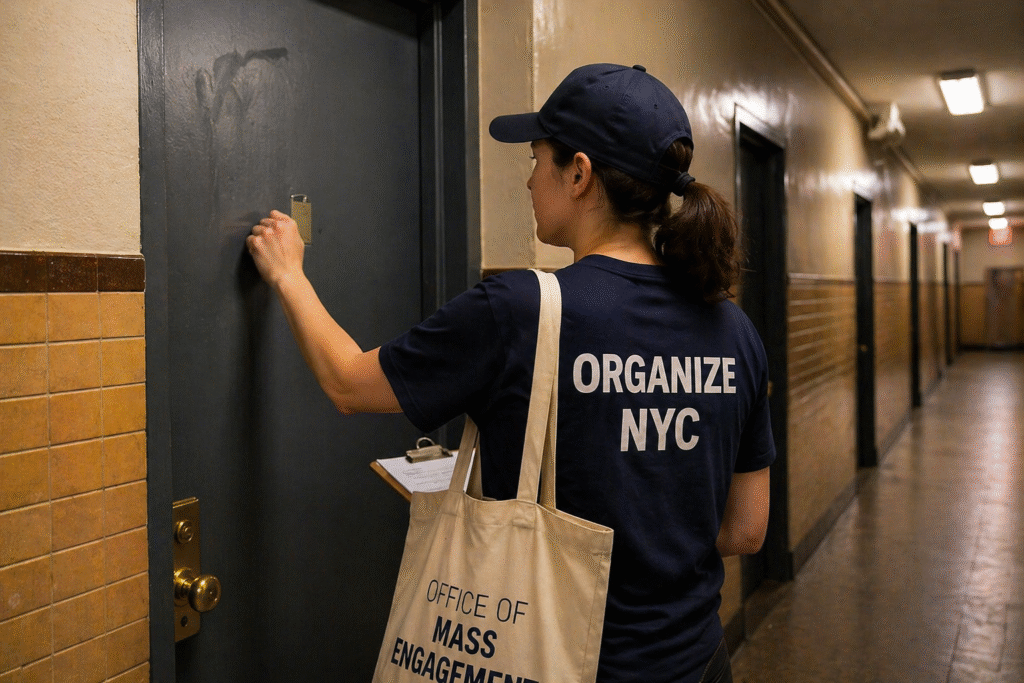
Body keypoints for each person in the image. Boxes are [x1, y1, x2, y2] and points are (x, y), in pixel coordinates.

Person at [247, 63, 774, 683]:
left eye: (537, 159)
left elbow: (347, 384)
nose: (528, 181)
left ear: (579, 175)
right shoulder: (732, 329)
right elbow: (746, 528)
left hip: (561, 665)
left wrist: (289, 275)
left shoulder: (520, 309)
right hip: (699, 664)